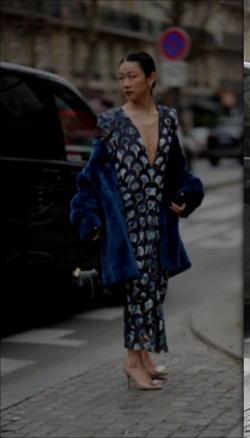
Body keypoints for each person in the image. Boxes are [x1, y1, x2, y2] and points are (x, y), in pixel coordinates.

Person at [70, 51, 204, 390]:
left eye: (132, 76)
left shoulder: (169, 119)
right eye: (121, 77)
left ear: (151, 78)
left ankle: (143, 356)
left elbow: (178, 170)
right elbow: (91, 176)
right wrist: (89, 218)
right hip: (125, 223)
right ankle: (132, 361)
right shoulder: (111, 122)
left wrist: (187, 195)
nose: (126, 83)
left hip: (160, 222)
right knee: (138, 290)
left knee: (156, 287)